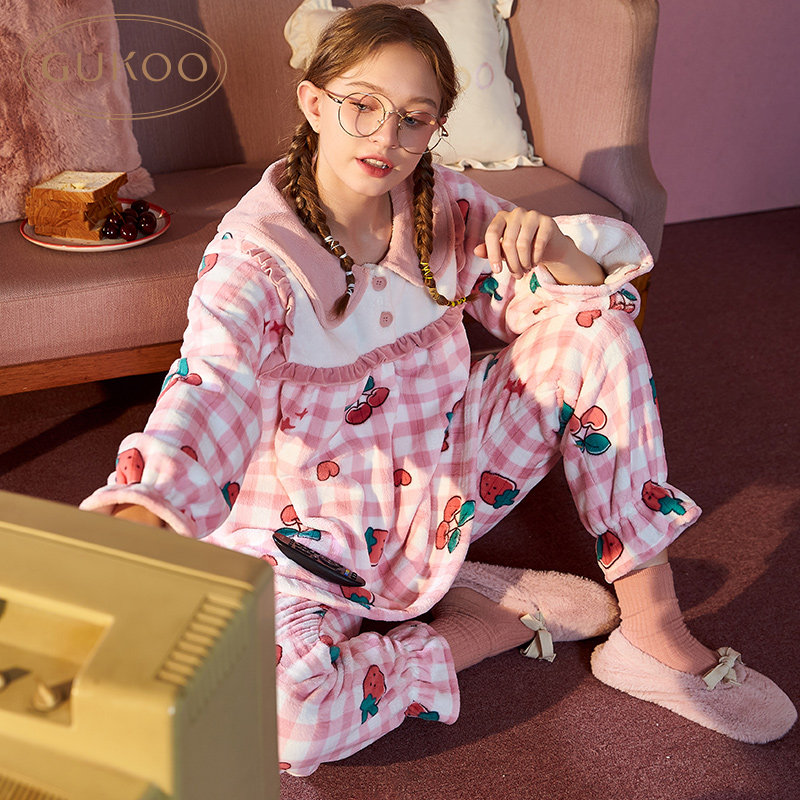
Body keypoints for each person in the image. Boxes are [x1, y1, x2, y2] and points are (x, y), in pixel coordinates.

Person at [81, 3, 795, 776]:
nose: (385, 137)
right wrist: (143, 511)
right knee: (291, 725)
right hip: (299, 544)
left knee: (596, 330)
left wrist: (556, 249)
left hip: (440, 490)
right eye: (362, 105)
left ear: (434, 128)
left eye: (413, 119)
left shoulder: (442, 203)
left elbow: (566, 316)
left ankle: (650, 631)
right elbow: (208, 386)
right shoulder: (254, 262)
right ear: (314, 102)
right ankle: (479, 625)